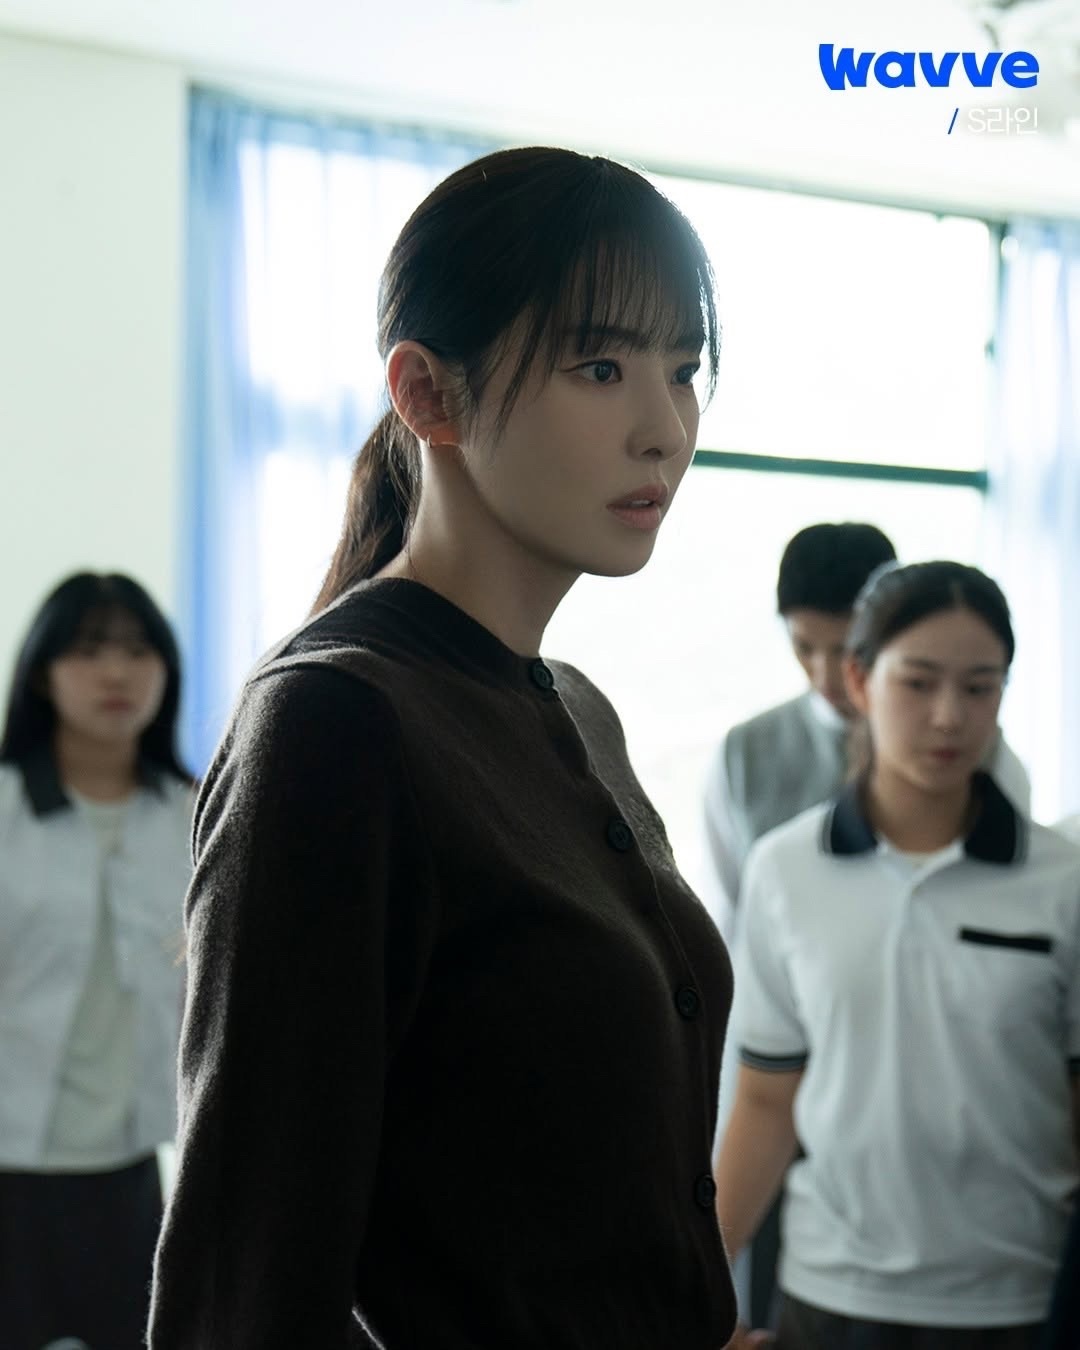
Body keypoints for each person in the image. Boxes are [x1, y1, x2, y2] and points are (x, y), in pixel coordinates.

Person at [148, 146, 738, 1350]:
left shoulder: (576, 710)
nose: (665, 429)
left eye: (684, 371)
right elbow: (245, 1283)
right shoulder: (335, 724)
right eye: (600, 367)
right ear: (428, 394)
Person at [714, 560, 1080, 1350]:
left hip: (1019, 1298)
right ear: (859, 680)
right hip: (829, 1295)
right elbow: (765, 1101)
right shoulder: (787, 870)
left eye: (980, 688)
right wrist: (697, 1295)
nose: (949, 717)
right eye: (918, 683)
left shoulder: (1064, 883)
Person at [0, 572, 194, 1350]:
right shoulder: (6, 811)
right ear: (41, 673)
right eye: (87, 651)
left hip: (132, 1172)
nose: (116, 672)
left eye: (139, 651)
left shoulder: (196, 815)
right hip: (10, 1169)